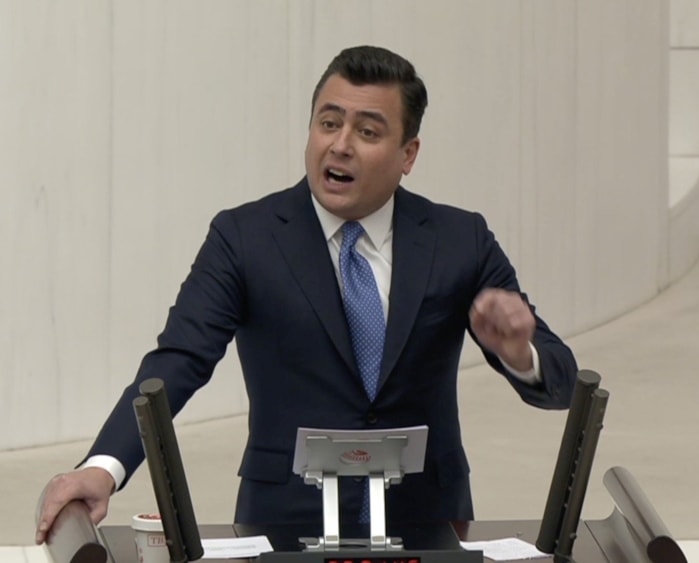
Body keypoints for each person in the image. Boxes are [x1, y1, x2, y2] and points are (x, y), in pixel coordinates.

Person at [35, 45, 577, 543]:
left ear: (408, 154)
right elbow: (179, 359)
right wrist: (104, 467)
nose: (340, 145)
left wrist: (518, 353)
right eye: (328, 123)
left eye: (368, 131)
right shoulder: (244, 238)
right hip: (283, 522)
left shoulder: (460, 239)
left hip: (428, 521)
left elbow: (561, 382)